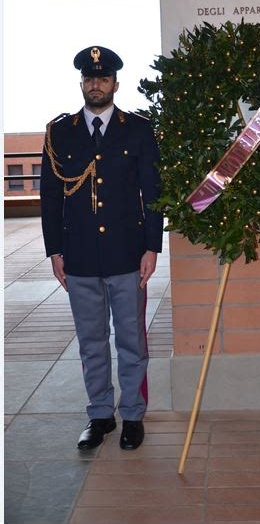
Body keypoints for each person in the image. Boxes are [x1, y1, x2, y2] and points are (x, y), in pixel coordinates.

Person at [40, 45, 163, 451]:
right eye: (90, 78)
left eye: (104, 78)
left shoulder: (139, 129)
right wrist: (54, 250)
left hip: (127, 253)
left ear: (115, 84)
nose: (97, 84)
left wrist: (152, 248)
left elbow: (152, 193)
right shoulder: (60, 132)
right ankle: (99, 416)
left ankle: (131, 416)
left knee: (130, 339)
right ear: (82, 83)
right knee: (91, 341)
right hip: (78, 255)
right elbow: (50, 196)